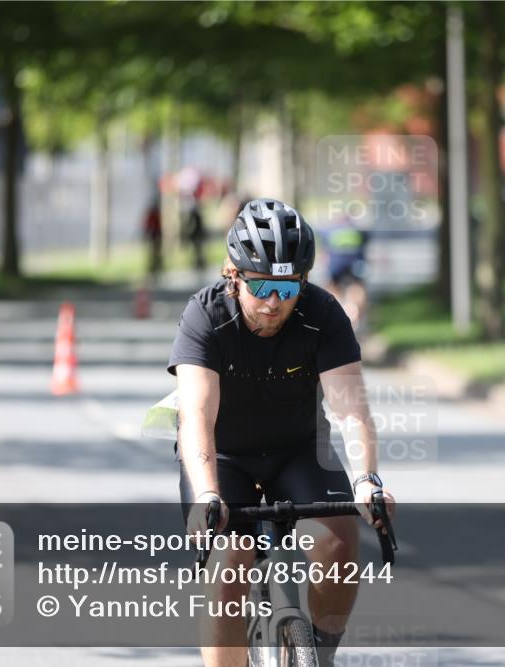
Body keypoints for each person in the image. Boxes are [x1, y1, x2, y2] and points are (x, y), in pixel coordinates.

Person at [169, 198, 395, 667]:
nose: (274, 302)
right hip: (223, 457)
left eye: (288, 287)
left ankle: (321, 654)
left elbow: (351, 409)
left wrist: (367, 480)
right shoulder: (205, 317)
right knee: (229, 564)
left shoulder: (323, 314)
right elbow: (196, 415)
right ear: (233, 275)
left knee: (338, 538)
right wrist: (207, 495)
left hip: (298, 451)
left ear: (304, 281)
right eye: (262, 286)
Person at [320, 215, 370, 331]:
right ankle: (356, 314)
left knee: (332, 287)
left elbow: (324, 251)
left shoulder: (330, 230)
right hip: (356, 263)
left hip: (335, 264)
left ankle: (336, 312)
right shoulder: (357, 230)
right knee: (357, 287)